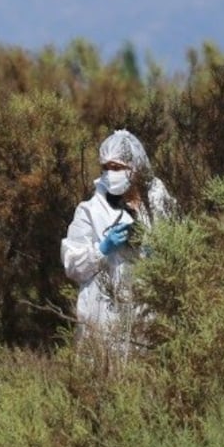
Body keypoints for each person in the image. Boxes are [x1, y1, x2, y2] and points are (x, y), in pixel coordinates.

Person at [61, 129, 175, 350]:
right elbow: (72, 266)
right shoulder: (90, 211)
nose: (110, 173)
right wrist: (101, 249)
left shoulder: (160, 206)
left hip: (147, 313)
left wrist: (156, 252)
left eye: (117, 167)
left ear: (135, 168)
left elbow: (179, 251)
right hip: (103, 315)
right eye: (105, 167)